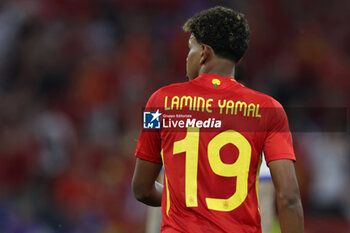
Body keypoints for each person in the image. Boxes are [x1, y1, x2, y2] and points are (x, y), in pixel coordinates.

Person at [132, 6, 304, 233]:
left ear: (204, 52)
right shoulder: (270, 110)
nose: (187, 57)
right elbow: (289, 197)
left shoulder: (158, 103)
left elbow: (141, 189)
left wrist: (186, 200)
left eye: (189, 48)